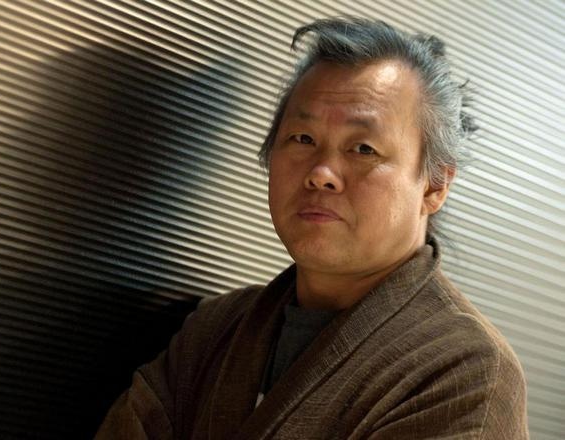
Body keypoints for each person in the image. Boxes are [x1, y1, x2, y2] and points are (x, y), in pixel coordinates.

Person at [95, 16, 529, 439]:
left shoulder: (465, 372)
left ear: (435, 185)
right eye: (303, 139)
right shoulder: (214, 330)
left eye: (363, 148)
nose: (322, 173)